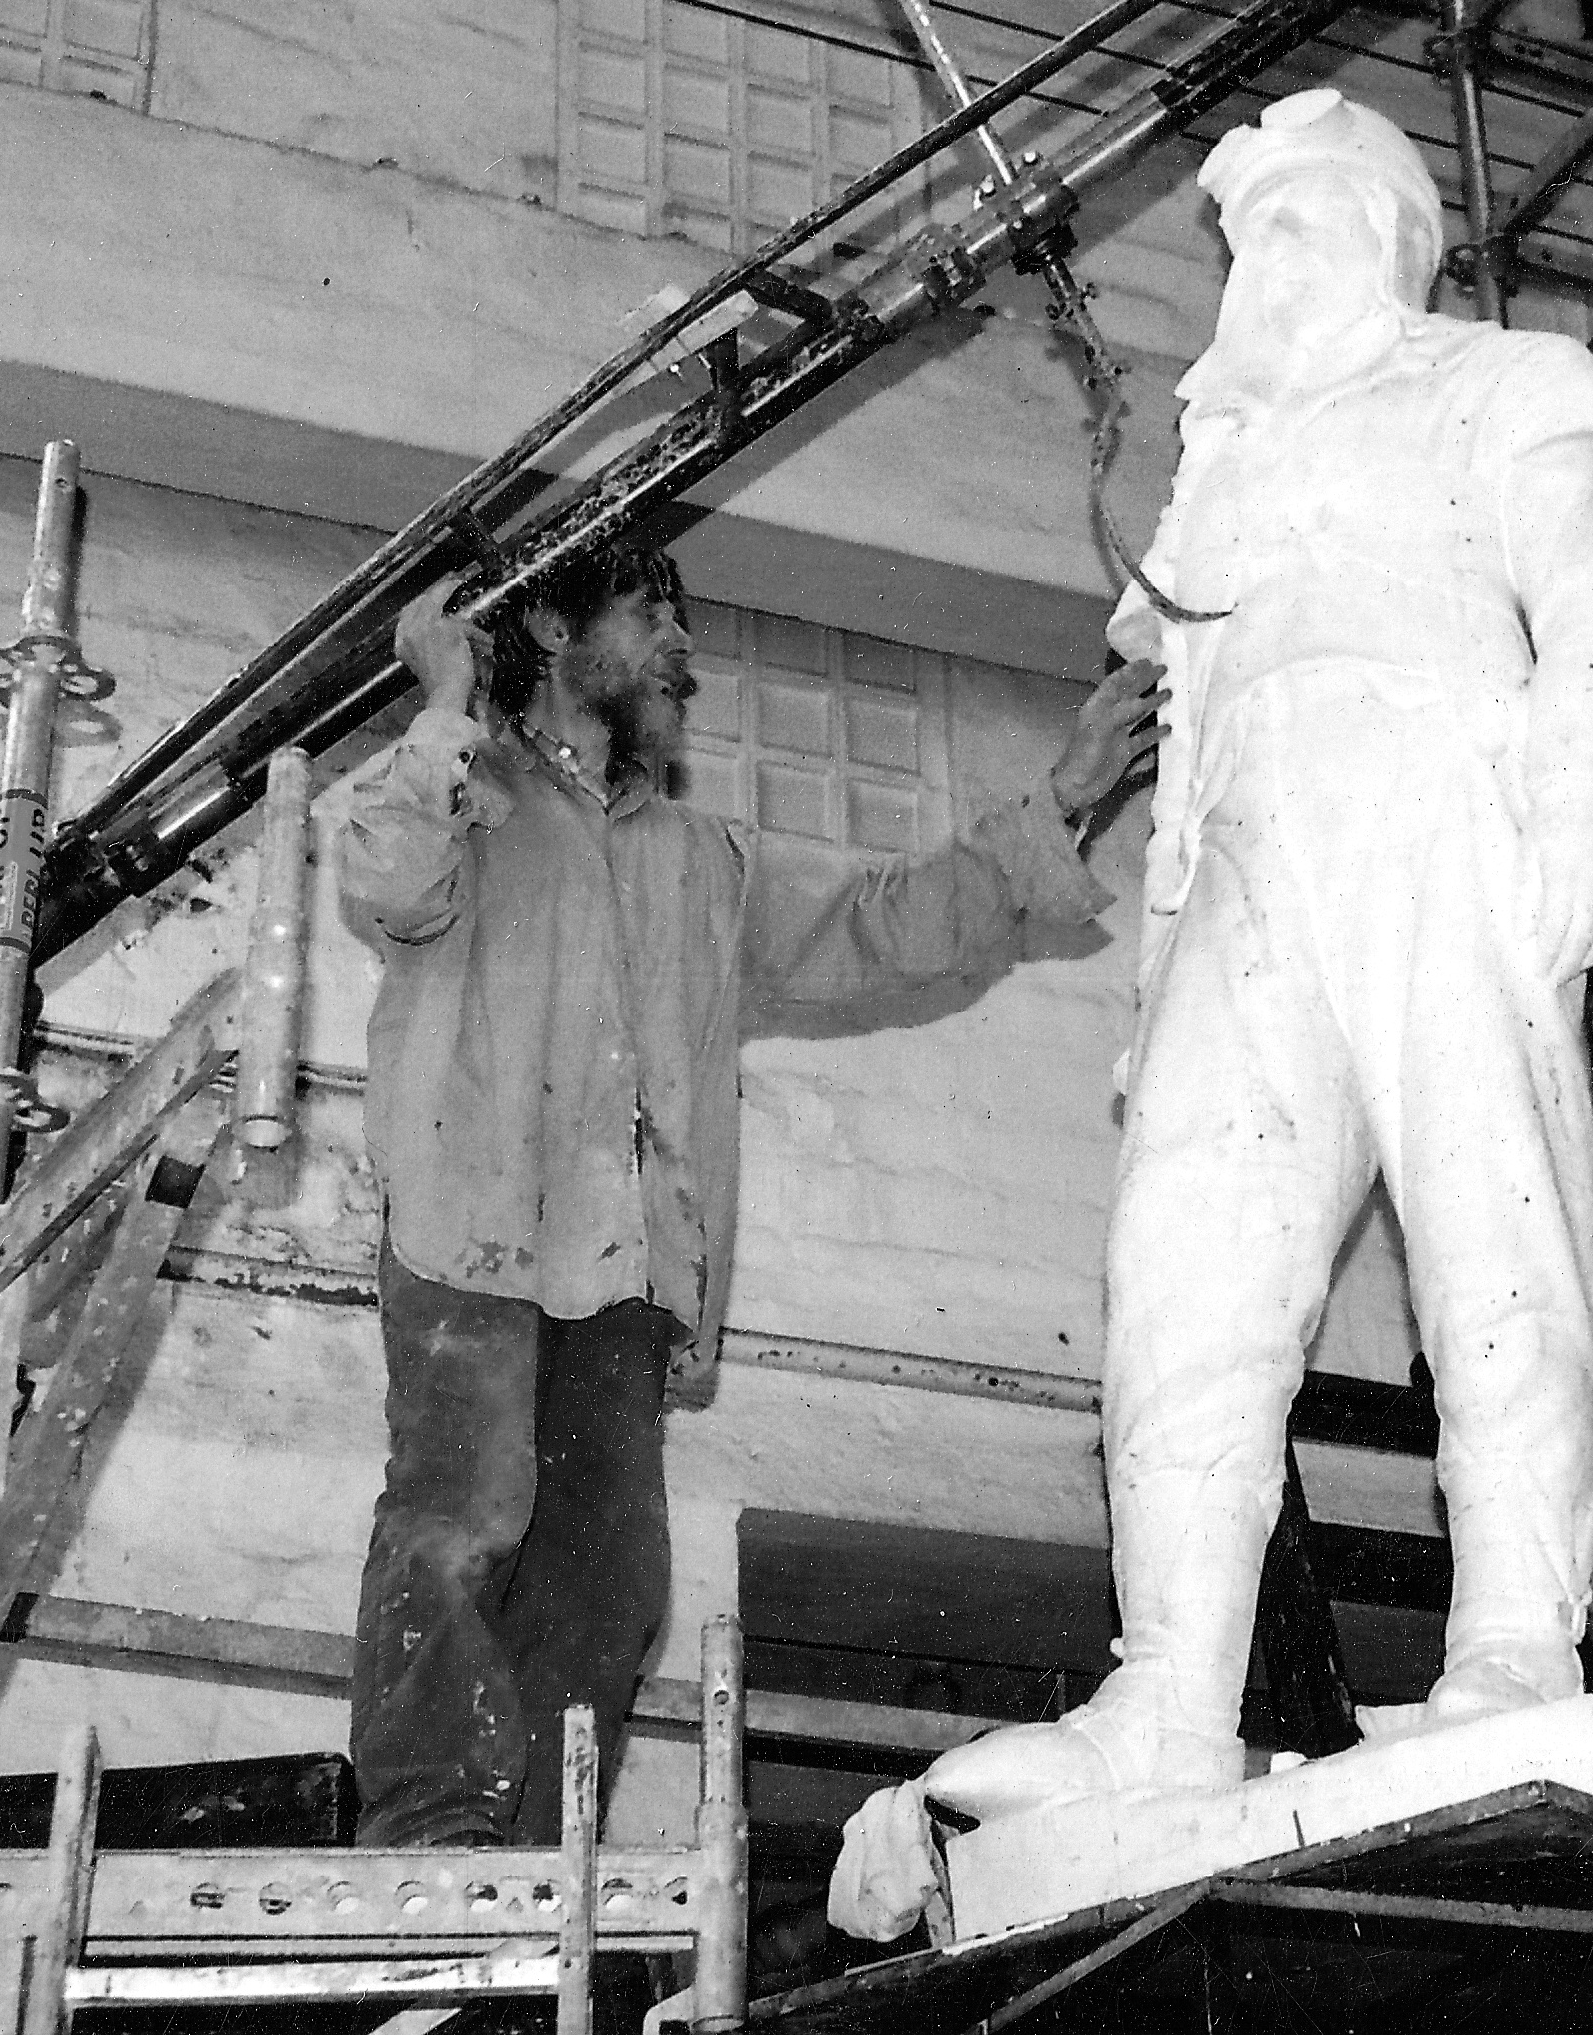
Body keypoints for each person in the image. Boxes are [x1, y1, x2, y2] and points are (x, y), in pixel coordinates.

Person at [920, 87, 1593, 1822]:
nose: (1268, 252)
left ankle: (1515, 1641)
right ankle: (1169, 1699)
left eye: (1305, 215)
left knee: (1492, 1224)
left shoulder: (1501, 382)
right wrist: (1156, 974)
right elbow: (1188, 738)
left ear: (1394, 234)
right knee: (1184, 1266)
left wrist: (1581, 800)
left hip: (1440, 800)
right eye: (1250, 228)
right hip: (1251, 860)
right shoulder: (1221, 474)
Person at [337, 541, 1163, 1849]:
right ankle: (432, 1839)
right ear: (550, 629)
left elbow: (885, 922)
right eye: (650, 612)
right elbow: (385, 877)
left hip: (624, 1278)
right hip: (471, 1248)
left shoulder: (702, 860)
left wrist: (1066, 793)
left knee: (611, 1586)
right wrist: (444, 700)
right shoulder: (468, 796)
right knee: (461, 1526)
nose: (682, 649)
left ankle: (535, 1868)